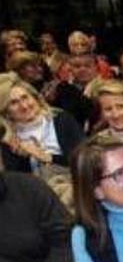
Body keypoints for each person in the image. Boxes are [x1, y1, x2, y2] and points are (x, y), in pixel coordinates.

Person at [0, 73, 84, 209]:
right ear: (5, 112)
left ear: (36, 98)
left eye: (25, 97)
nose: (24, 106)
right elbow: (15, 186)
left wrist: (47, 157)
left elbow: (84, 159)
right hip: (36, 199)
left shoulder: (61, 119)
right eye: (14, 103)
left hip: (75, 185)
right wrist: (22, 158)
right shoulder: (8, 140)